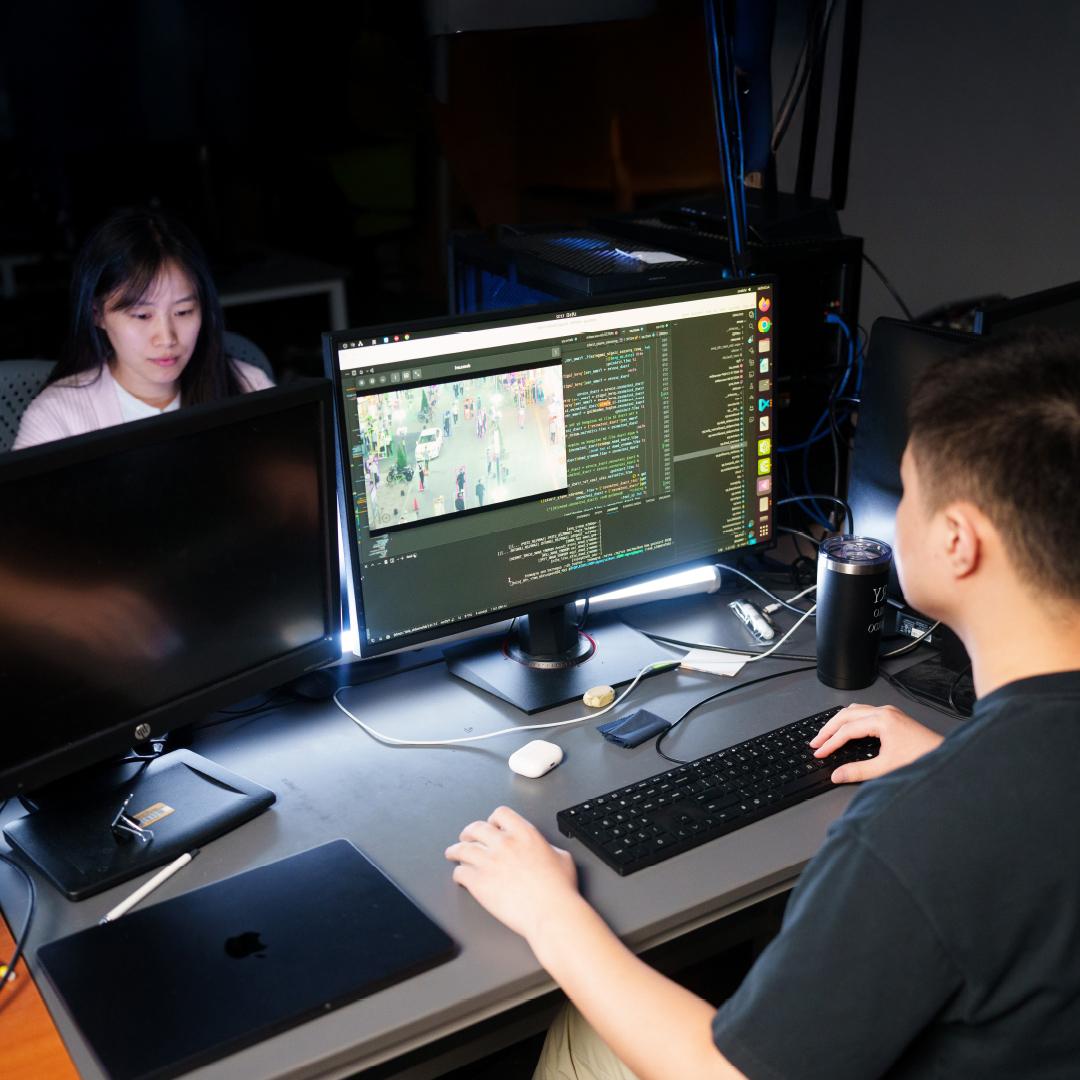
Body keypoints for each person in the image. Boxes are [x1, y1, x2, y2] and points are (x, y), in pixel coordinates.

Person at [446, 331, 1080, 1079]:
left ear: (956, 542)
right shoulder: (987, 795)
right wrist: (963, 767)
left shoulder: (917, 831)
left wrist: (549, 912)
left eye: (908, 491)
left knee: (578, 1043)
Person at [13, 208, 272, 450]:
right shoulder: (57, 420)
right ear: (97, 314)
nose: (166, 338)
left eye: (183, 312)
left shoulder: (249, 385)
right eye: (142, 315)